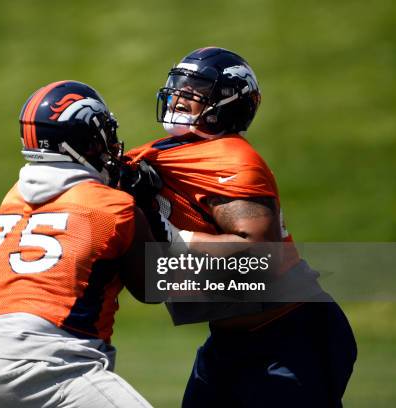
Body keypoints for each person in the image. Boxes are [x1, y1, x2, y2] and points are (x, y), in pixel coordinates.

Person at [122, 47, 357, 407]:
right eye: (178, 85)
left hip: (290, 334)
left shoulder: (233, 159)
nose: (180, 96)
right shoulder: (169, 151)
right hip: (231, 339)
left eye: (196, 89)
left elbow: (261, 256)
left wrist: (171, 237)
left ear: (229, 102)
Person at [0, 80, 157, 408]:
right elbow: (158, 285)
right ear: (83, 142)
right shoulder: (113, 206)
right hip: (39, 360)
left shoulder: (12, 198)